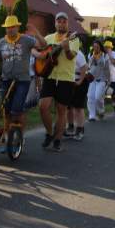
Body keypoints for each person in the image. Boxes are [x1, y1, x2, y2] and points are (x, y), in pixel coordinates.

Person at [0, 15, 46, 132]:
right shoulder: (1, 42)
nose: (10, 29)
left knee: (17, 109)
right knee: (6, 110)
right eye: (8, 27)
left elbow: (43, 45)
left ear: (17, 27)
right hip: (6, 80)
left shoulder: (26, 39)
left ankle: (19, 136)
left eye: (13, 27)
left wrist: (36, 32)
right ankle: (8, 138)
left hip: (22, 80)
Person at [38, 12, 80, 152]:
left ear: (67, 24)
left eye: (64, 21)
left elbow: (70, 57)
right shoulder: (48, 38)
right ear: (55, 23)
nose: (61, 23)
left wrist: (66, 47)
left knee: (61, 111)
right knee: (43, 107)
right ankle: (50, 133)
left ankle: (57, 140)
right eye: (59, 21)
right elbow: (40, 53)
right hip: (49, 77)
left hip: (65, 79)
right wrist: (41, 55)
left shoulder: (73, 39)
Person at [65, 47, 89, 141]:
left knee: (78, 107)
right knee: (68, 107)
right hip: (69, 81)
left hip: (79, 81)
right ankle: (70, 128)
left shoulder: (78, 54)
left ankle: (80, 130)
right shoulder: (65, 53)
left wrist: (79, 81)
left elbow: (85, 67)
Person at [87, 40, 110, 121]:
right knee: (90, 97)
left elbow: (106, 68)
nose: (96, 48)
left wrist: (109, 80)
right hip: (92, 79)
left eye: (97, 46)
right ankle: (92, 115)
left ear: (100, 47)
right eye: (94, 46)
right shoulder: (90, 55)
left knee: (98, 97)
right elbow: (88, 67)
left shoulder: (105, 55)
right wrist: (92, 59)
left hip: (102, 79)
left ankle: (101, 110)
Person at [103, 40, 115, 113]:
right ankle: (101, 109)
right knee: (102, 94)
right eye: (105, 47)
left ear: (111, 48)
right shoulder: (104, 55)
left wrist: (109, 55)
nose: (106, 49)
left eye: (108, 47)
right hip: (105, 78)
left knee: (113, 95)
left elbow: (114, 62)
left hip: (113, 78)